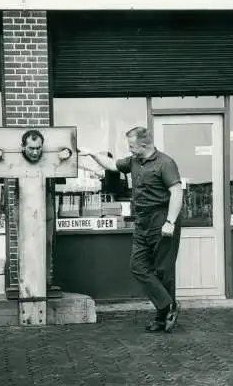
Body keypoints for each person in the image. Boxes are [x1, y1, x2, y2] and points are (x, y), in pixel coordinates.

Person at [78, 126, 183, 332]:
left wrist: (170, 222)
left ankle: (163, 317)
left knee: (163, 271)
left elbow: (177, 191)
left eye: (132, 145)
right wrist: (92, 153)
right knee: (138, 266)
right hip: (142, 220)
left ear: (144, 145)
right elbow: (111, 164)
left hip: (162, 217)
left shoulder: (165, 163)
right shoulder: (134, 161)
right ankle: (168, 305)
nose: (129, 149)